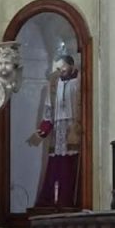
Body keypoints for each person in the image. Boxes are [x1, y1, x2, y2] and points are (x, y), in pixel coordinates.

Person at [31, 48, 81, 207]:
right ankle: (52, 201)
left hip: (72, 127)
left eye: (63, 67)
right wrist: (43, 130)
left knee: (70, 166)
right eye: (58, 69)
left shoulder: (79, 81)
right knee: (55, 166)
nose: (61, 71)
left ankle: (68, 201)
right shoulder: (53, 84)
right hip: (58, 127)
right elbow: (48, 109)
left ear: (71, 66)